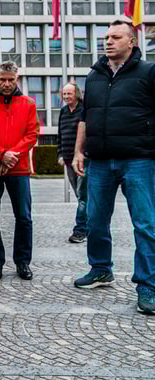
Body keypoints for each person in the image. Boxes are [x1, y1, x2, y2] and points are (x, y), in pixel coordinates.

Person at [72, 19, 155, 315]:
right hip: (100, 161)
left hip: (139, 160)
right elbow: (85, 115)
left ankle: (148, 285)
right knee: (94, 219)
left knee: (145, 224)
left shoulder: (148, 72)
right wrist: (78, 151)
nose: (108, 42)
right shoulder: (93, 76)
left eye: (115, 37)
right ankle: (100, 269)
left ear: (131, 42)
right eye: (106, 37)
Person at [0, 61, 39, 281]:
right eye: (2, 79)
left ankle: (23, 262)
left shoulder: (29, 103)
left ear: (17, 79)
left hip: (19, 167)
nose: (6, 84)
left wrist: (10, 156)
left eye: (10, 80)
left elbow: (32, 135)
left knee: (24, 217)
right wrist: (1, 153)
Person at [57, 82, 88, 244]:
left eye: (69, 94)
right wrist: (60, 154)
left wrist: (83, 153)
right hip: (68, 160)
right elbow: (59, 135)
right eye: (64, 94)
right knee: (80, 196)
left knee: (83, 196)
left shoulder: (84, 110)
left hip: (83, 159)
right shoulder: (63, 111)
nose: (66, 97)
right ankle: (90, 226)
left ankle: (80, 230)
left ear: (76, 94)